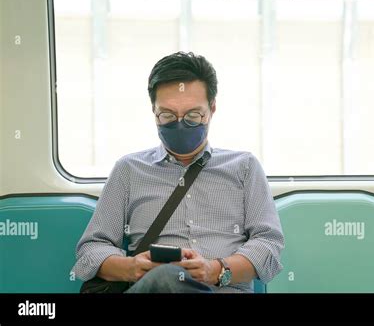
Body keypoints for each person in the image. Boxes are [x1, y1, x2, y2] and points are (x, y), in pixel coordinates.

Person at [72, 51, 284, 293]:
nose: (181, 124)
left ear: (212, 108)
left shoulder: (244, 167)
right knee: (166, 279)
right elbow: (91, 248)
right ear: (154, 112)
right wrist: (131, 267)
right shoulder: (128, 170)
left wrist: (215, 270)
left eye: (193, 115)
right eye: (168, 116)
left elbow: (269, 245)